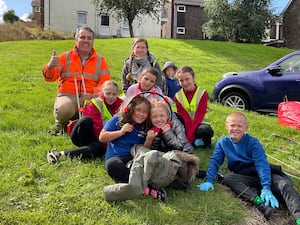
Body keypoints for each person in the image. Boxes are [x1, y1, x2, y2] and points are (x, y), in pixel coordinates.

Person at [199, 112, 300, 224]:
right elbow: (215, 161)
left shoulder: (253, 143)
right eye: (232, 125)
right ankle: (259, 203)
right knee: (228, 178)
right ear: (226, 126)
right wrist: (209, 180)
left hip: (263, 174)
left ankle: (298, 217)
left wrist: (266, 187)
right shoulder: (223, 143)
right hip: (244, 175)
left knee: (285, 184)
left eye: (240, 126)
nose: (235, 128)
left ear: (246, 127)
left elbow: (262, 165)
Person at [42, 24, 111, 135]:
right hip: (68, 96)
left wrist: (93, 95)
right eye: (82, 37)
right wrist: (49, 67)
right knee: (65, 109)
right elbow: (50, 78)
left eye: (89, 38)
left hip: (90, 97)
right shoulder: (65, 57)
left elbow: (105, 84)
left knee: (98, 112)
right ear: (76, 39)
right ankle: (61, 126)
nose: (86, 41)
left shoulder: (100, 61)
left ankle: (85, 125)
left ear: (93, 41)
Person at [46, 80, 123, 164]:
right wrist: (109, 145)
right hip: (84, 133)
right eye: (108, 93)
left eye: (114, 94)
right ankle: (85, 149)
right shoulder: (95, 104)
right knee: (86, 121)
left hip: (103, 137)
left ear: (117, 94)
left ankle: (59, 154)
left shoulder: (122, 104)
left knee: (97, 148)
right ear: (102, 92)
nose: (111, 97)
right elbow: (97, 129)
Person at [103, 144, 199, 202]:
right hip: (142, 159)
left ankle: (147, 189)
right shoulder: (171, 165)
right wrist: (143, 180)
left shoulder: (173, 169)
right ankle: (107, 192)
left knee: (137, 187)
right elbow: (150, 156)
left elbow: (151, 157)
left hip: (144, 161)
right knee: (136, 188)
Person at [99, 94, 152, 183]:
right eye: (138, 110)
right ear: (130, 109)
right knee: (112, 165)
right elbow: (102, 137)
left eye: (145, 112)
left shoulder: (145, 126)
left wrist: (149, 139)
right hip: (116, 157)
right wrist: (121, 132)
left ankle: (139, 183)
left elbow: (145, 150)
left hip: (134, 157)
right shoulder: (118, 119)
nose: (141, 114)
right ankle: (142, 185)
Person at [174, 66, 214, 149]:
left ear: (193, 78)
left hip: (201, 123)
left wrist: (189, 139)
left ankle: (206, 142)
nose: (185, 83)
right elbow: (184, 118)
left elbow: (199, 116)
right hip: (187, 124)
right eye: (181, 80)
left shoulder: (203, 93)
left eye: (187, 79)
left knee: (204, 130)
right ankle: (197, 140)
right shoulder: (177, 96)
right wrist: (189, 138)